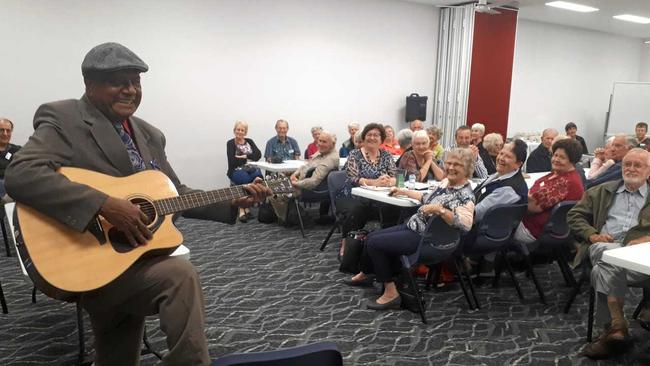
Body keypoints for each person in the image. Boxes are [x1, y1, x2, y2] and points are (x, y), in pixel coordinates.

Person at [4, 42, 271, 366]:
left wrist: (233, 200)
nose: (130, 90)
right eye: (119, 81)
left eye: (136, 81)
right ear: (90, 85)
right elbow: (21, 173)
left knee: (131, 336)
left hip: (136, 256)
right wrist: (103, 204)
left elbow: (175, 192)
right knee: (178, 278)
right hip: (85, 255)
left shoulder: (149, 134)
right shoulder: (64, 118)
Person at [344, 148, 475, 310]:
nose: (451, 167)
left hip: (428, 240)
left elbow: (465, 225)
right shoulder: (447, 183)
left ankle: (391, 293)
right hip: (417, 228)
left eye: (458, 165)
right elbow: (426, 197)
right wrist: (403, 191)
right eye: (449, 163)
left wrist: (439, 210)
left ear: (467, 169)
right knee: (372, 237)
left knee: (374, 243)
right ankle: (368, 273)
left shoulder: (465, 196)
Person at [567, 148, 650, 360]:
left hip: (639, 257)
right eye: (627, 164)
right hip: (603, 245)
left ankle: (613, 330)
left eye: (637, 165)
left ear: (648, 171)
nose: (631, 169)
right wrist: (592, 234)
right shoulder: (601, 191)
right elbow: (574, 215)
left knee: (601, 271)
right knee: (605, 255)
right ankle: (616, 326)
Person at [512, 138, 584, 250]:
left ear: (572, 160)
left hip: (531, 229)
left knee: (493, 222)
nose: (556, 159)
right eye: (555, 155)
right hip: (544, 227)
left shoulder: (564, 182)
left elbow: (531, 207)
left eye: (562, 157)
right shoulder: (561, 175)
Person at [336, 123, 398, 250]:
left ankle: (386, 244)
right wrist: (374, 182)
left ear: (381, 139)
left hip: (380, 196)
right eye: (369, 134)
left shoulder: (386, 155)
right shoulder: (355, 154)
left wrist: (387, 181)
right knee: (358, 209)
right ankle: (347, 243)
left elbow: (394, 177)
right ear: (364, 137)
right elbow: (353, 178)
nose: (372, 138)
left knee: (393, 209)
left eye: (376, 135)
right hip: (353, 195)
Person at [269, 131, 339, 221]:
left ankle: (287, 219)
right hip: (303, 184)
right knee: (273, 184)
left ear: (332, 144)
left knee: (271, 191)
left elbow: (313, 182)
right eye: (319, 141)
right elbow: (306, 165)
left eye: (324, 142)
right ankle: (296, 214)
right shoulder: (322, 152)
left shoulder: (330, 160)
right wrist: (295, 173)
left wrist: (296, 183)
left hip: (309, 191)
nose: (320, 144)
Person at [473, 139, 529, 222]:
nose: (501, 158)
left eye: (508, 156)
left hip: (478, 229)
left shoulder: (509, 190)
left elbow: (475, 214)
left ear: (518, 164)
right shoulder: (501, 174)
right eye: (501, 153)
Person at [226, 120, 263, 222]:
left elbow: (258, 155)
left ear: (245, 132)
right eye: (238, 129)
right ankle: (243, 208)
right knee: (245, 180)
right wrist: (249, 158)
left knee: (259, 178)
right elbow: (232, 161)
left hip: (252, 169)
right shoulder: (230, 143)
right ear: (234, 130)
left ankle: (247, 206)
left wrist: (244, 156)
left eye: (242, 130)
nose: (240, 132)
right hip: (236, 170)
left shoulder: (249, 141)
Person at [0, 117, 21, 197]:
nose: (5, 134)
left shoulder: (18, 150)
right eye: (1, 130)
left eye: (8, 131)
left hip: (14, 188)